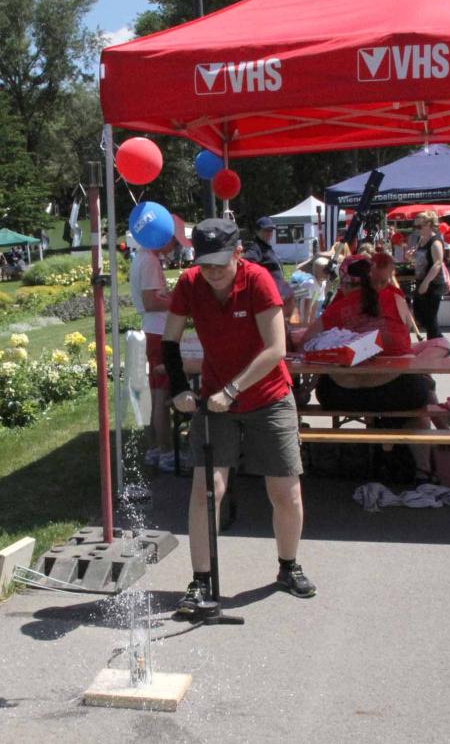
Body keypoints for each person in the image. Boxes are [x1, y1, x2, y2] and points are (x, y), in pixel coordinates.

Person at [162, 218, 316, 614]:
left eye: (219, 262)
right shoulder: (190, 284)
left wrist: (233, 390)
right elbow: (169, 340)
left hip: (268, 395)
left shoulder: (259, 280)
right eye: (204, 263)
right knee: (206, 488)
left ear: (238, 252)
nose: (211, 271)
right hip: (215, 400)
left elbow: (276, 348)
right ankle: (200, 580)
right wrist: (180, 387)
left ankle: (288, 565)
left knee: (285, 491)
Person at [300, 254, 435, 484]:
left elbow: (306, 342)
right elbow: (404, 339)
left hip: (342, 396)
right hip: (399, 393)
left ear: (343, 282)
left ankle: (378, 452)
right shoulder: (395, 297)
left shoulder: (336, 309)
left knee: (393, 398)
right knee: (425, 398)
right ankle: (423, 471)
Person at [130, 214, 191, 473]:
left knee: (154, 394)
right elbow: (151, 302)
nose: (174, 247)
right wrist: (180, 303)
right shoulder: (151, 262)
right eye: (173, 242)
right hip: (158, 332)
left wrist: (169, 296)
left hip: (152, 330)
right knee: (161, 396)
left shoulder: (142, 258)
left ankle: (155, 448)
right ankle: (166, 452)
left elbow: (152, 298)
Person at [405, 211, 445, 339]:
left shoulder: (435, 242)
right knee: (419, 315)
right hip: (420, 280)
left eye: (419, 226)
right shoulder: (420, 240)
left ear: (428, 225)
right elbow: (418, 260)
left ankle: (438, 344)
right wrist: (409, 256)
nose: (417, 229)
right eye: (415, 227)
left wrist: (426, 282)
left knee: (430, 320)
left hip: (433, 283)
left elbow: (438, 263)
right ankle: (436, 343)